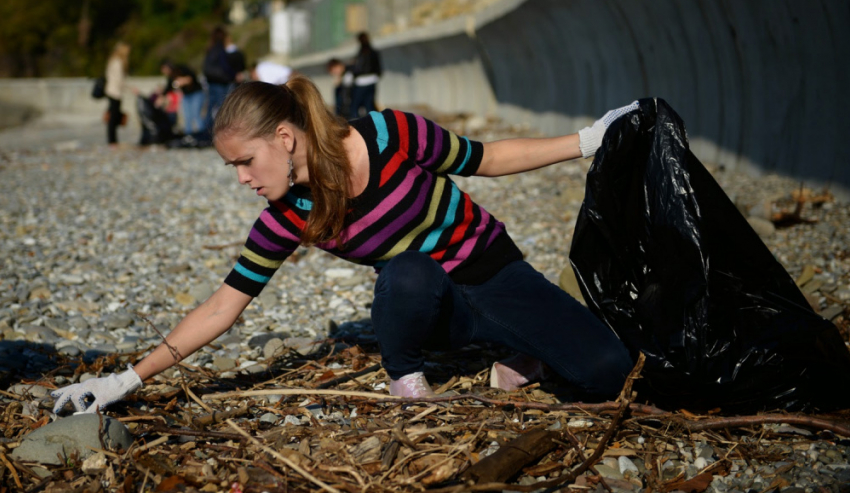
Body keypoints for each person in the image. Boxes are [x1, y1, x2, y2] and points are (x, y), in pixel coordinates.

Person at [51, 77, 635, 413]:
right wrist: (123, 381)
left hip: (496, 272)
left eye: (245, 162)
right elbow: (221, 307)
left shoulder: (388, 134)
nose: (242, 179)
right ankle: (407, 380)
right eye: (233, 167)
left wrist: (589, 139)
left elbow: (487, 158)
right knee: (406, 271)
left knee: (608, 371)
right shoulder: (286, 217)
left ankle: (515, 358)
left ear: (284, 137)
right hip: (430, 303)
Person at [203, 26, 237, 132]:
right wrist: (233, 75)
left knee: (210, 107)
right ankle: (221, 131)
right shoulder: (220, 49)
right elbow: (225, 66)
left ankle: (206, 130)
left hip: (211, 82)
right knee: (223, 107)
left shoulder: (210, 49)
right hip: (221, 82)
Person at [160, 60, 204, 136]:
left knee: (196, 115)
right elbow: (168, 88)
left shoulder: (181, 68)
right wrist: (161, 96)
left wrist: (183, 80)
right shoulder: (171, 77)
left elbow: (192, 76)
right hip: (186, 95)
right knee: (187, 116)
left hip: (196, 93)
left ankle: (202, 134)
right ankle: (188, 135)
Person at [349, 32, 381, 120]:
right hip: (372, 80)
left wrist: (353, 73)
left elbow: (358, 68)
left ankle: (354, 126)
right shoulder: (373, 52)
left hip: (361, 82)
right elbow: (378, 68)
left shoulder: (361, 53)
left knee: (355, 106)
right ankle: (374, 125)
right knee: (369, 105)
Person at [104, 41, 131, 145]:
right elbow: (119, 80)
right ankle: (112, 140)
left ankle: (112, 139)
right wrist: (129, 88)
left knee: (113, 116)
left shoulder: (113, 61)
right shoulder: (118, 62)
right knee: (113, 117)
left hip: (111, 91)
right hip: (115, 92)